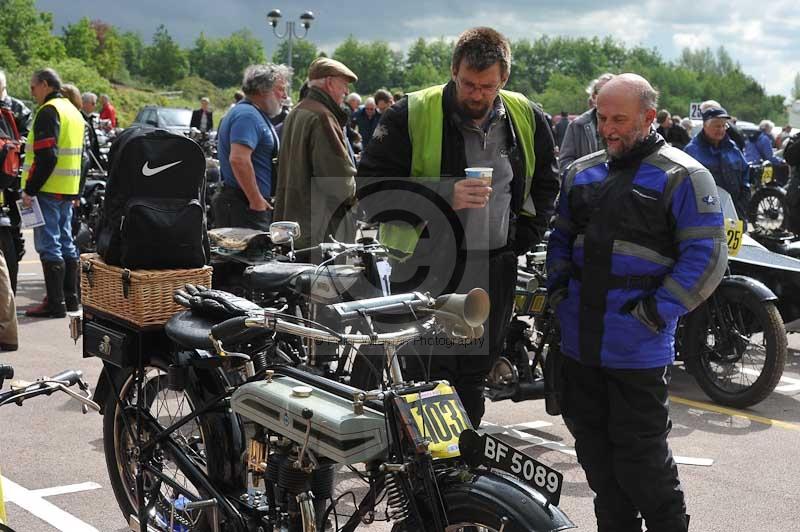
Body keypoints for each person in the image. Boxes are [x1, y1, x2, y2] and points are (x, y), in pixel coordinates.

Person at [547, 73, 726, 532]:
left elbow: (706, 260)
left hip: (636, 351)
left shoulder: (684, 175)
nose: (608, 128)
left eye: (620, 119)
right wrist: (561, 292)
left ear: (649, 117)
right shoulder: (580, 172)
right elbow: (560, 239)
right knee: (599, 469)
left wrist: (651, 313)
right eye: (603, 117)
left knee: (644, 468)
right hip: (579, 348)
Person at [357, 27, 559, 426]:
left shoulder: (526, 116)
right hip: (424, 266)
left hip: (492, 267)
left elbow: (546, 184)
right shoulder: (410, 113)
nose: (477, 94)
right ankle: (422, 475)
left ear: (504, 78)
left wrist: (521, 239)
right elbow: (370, 192)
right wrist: (445, 194)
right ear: (453, 71)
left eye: (487, 85)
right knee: (423, 372)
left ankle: (460, 469)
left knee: (471, 375)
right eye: (468, 83)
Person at [273, 57, 358, 253]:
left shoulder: (297, 111)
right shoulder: (323, 117)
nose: (346, 91)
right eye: (344, 84)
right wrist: (355, 192)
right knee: (327, 283)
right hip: (320, 230)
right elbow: (339, 183)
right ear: (329, 82)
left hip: (295, 226)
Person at [21, 68, 85, 318]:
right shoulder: (73, 112)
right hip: (67, 189)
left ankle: (55, 303)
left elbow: (47, 155)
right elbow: (82, 157)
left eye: (33, 87)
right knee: (66, 243)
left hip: (47, 188)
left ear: (45, 85)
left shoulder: (49, 111)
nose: (32, 92)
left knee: (50, 246)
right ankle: (71, 299)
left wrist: (30, 189)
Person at [212, 64, 289, 230]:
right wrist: (256, 200)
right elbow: (239, 159)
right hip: (244, 206)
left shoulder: (253, 113)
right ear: (263, 90)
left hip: (246, 204)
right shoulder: (248, 115)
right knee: (248, 256)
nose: (285, 96)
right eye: (280, 89)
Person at [684, 104, 750, 220]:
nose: (721, 130)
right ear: (705, 126)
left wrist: (741, 206)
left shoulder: (732, 147)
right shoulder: (692, 150)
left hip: (735, 215)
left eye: (723, 126)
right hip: (704, 217)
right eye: (717, 126)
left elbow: (745, 176)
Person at [559, 72, 614, 172]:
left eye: (614, 93)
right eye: (603, 92)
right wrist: (587, 177)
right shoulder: (577, 125)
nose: (610, 97)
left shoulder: (628, 123)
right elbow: (565, 163)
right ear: (593, 97)